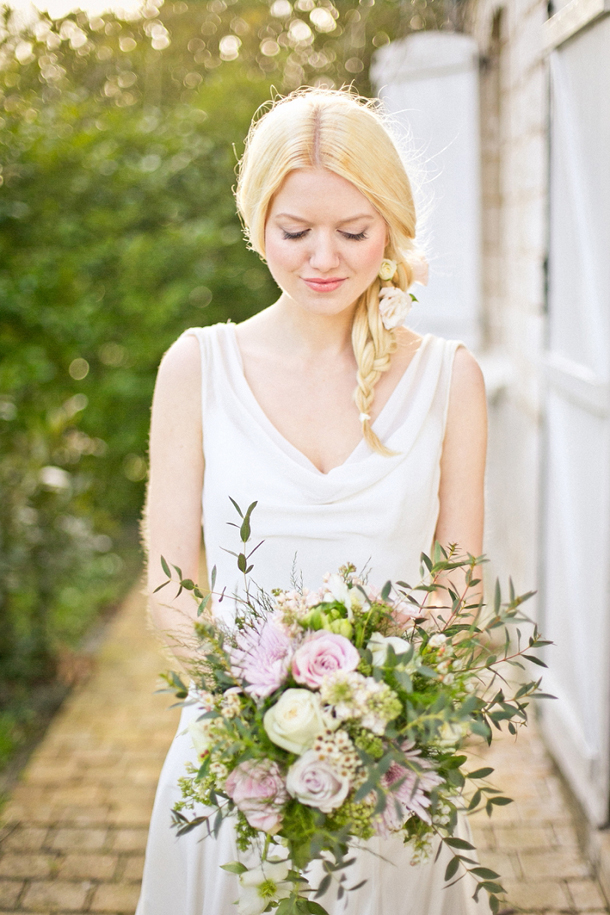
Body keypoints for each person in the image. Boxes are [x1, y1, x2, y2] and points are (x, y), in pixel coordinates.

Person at [136, 88, 489, 915]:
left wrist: (376, 721)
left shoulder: (451, 377)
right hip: (235, 766)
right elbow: (169, 581)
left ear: (392, 228)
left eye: (353, 231)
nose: (322, 257)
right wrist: (252, 723)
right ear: (258, 224)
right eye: (295, 231)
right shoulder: (196, 368)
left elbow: (461, 580)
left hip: (393, 768)